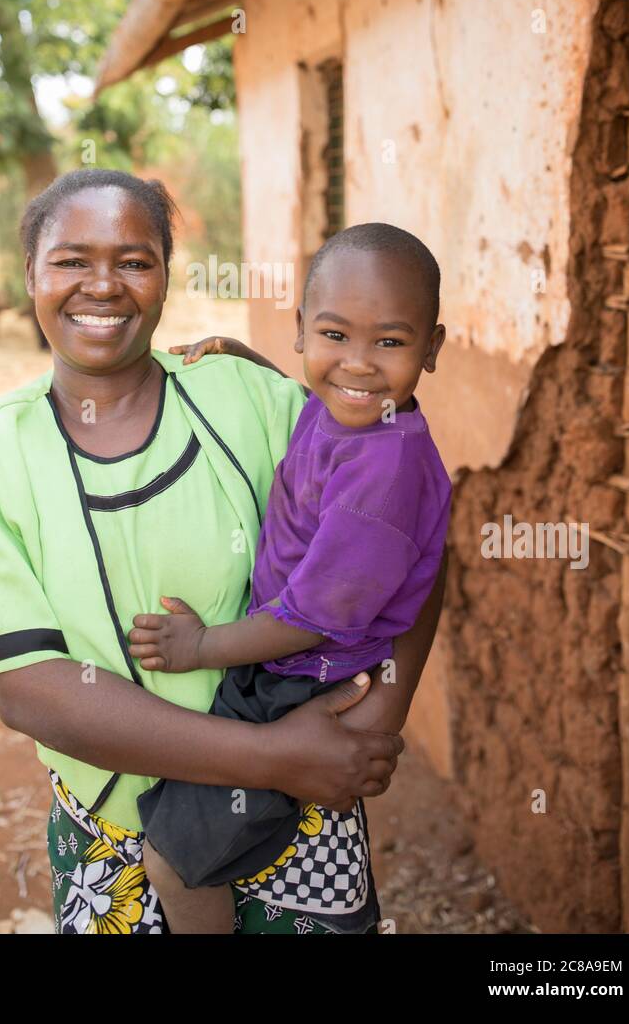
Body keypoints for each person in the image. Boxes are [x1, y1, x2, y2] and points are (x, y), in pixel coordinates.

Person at [0, 169, 446, 934]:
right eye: (71, 260)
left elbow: (410, 536)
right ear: (30, 277)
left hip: (298, 813)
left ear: (167, 276)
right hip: (114, 833)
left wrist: (378, 715)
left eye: (134, 261)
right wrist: (270, 757)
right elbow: (31, 692)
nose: (102, 286)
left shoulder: (248, 401)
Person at [132, 223, 450, 933]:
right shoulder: (350, 416)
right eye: (335, 336)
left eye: (390, 343)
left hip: (297, 681)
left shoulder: (387, 467)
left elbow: (312, 617)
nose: (358, 366)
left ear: (431, 348)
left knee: (171, 863)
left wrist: (199, 648)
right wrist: (248, 359)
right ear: (302, 331)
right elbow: (321, 395)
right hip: (287, 667)